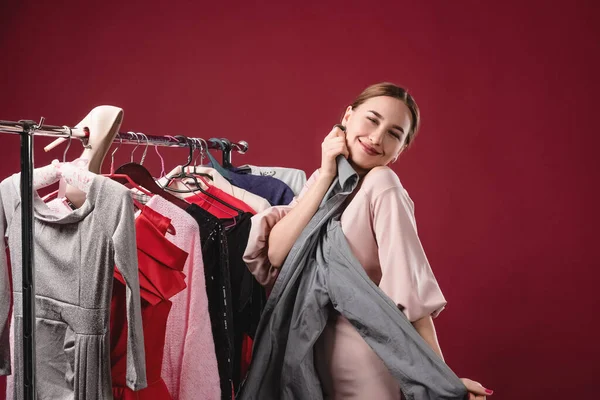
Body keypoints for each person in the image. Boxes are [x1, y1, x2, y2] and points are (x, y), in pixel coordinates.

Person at [244, 82, 493, 400]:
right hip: (311, 363)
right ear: (348, 116)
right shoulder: (324, 186)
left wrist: (441, 382)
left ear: (400, 150)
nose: (377, 138)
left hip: (366, 366)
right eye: (372, 120)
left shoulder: (383, 185)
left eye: (394, 134)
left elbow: (412, 298)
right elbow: (277, 254)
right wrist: (324, 175)